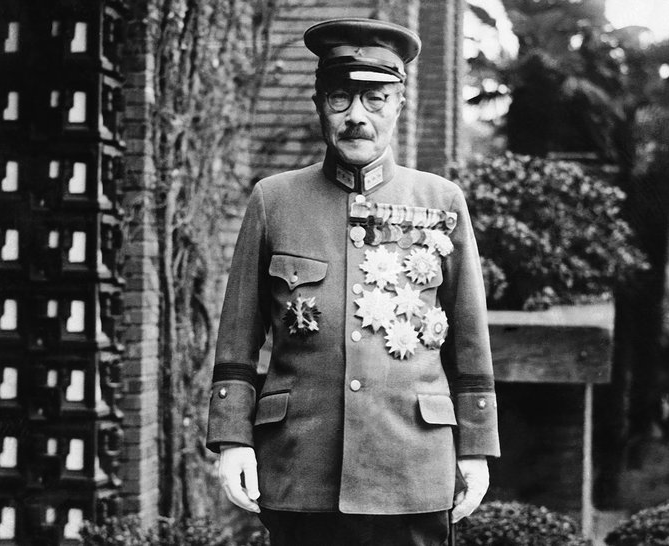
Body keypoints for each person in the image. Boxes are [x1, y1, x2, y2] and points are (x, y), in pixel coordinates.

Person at [206, 18, 500, 546]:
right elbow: (237, 338)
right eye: (340, 98)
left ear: (399, 104)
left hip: (412, 466)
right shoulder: (274, 201)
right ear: (320, 105)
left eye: (375, 99)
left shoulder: (440, 201)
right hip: (300, 465)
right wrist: (232, 440)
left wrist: (476, 448)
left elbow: (470, 340)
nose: (357, 116)